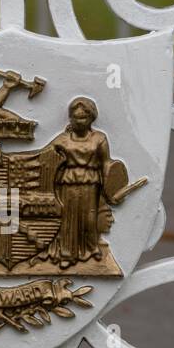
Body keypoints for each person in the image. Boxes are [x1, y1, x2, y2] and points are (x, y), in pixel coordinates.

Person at [45, 97, 113, 270]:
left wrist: (109, 184)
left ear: (91, 118)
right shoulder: (62, 139)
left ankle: (92, 247)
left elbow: (106, 162)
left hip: (90, 181)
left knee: (89, 217)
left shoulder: (99, 138)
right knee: (69, 218)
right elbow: (44, 156)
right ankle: (67, 253)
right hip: (68, 182)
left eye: (83, 117)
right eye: (75, 117)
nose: (79, 121)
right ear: (70, 118)